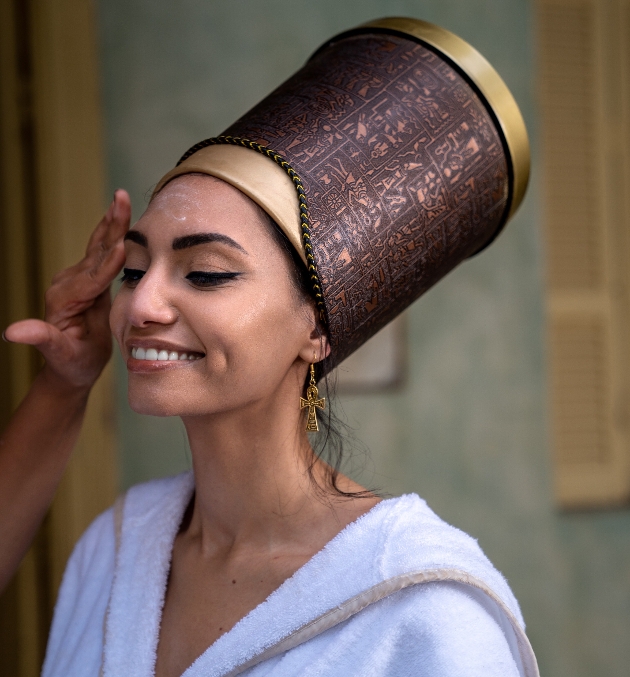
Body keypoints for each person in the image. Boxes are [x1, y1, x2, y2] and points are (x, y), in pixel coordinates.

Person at [10, 18, 539, 677]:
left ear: (318, 328)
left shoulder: (429, 616)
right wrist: (62, 382)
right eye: (134, 269)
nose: (141, 305)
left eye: (206, 272)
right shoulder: (113, 550)